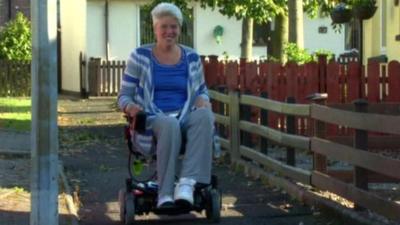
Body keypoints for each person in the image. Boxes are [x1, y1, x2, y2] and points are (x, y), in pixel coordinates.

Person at [117, 2, 214, 210]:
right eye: (164, 26)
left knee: (205, 116)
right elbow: (123, 97)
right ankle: (165, 193)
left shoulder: (192, 58)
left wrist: (203, 99)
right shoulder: (140, 56)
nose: (169, 31)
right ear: (155, 28)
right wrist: (131, 108)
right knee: (168, 124)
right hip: (152, 119)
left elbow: (202, 90)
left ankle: (187, 184)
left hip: (185, 117)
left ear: (179, 29)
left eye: (174, 26)